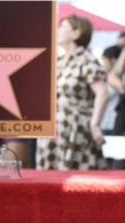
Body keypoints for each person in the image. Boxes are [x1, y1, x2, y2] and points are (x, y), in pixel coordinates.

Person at [36, 14, 109, 170]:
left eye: (62, 27)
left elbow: (102, 93)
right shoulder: (57, 60)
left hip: (76, 127)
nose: (58, 30)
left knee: (75, 178)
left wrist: (94, 123)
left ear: (76, 33)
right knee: (47, 180)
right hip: (53, 127)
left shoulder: (87, 60)